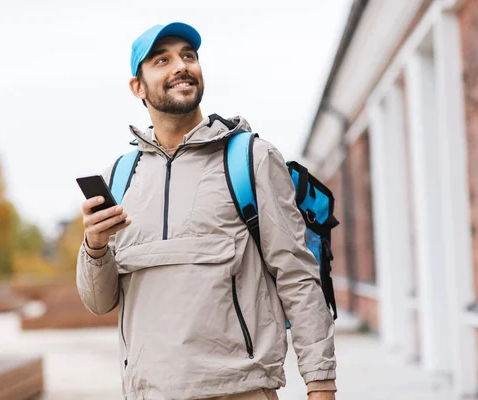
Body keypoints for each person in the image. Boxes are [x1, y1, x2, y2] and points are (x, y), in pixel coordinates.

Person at [76, 22, 337, 400]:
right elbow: (99, 303)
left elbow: (297, 276)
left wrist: (321, 384)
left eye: (188, 56)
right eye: (161, 60)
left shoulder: (251, 159)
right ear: (138, 87)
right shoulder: (119, 178)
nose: (180, 66)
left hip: (241, 389)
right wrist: (95, 246)